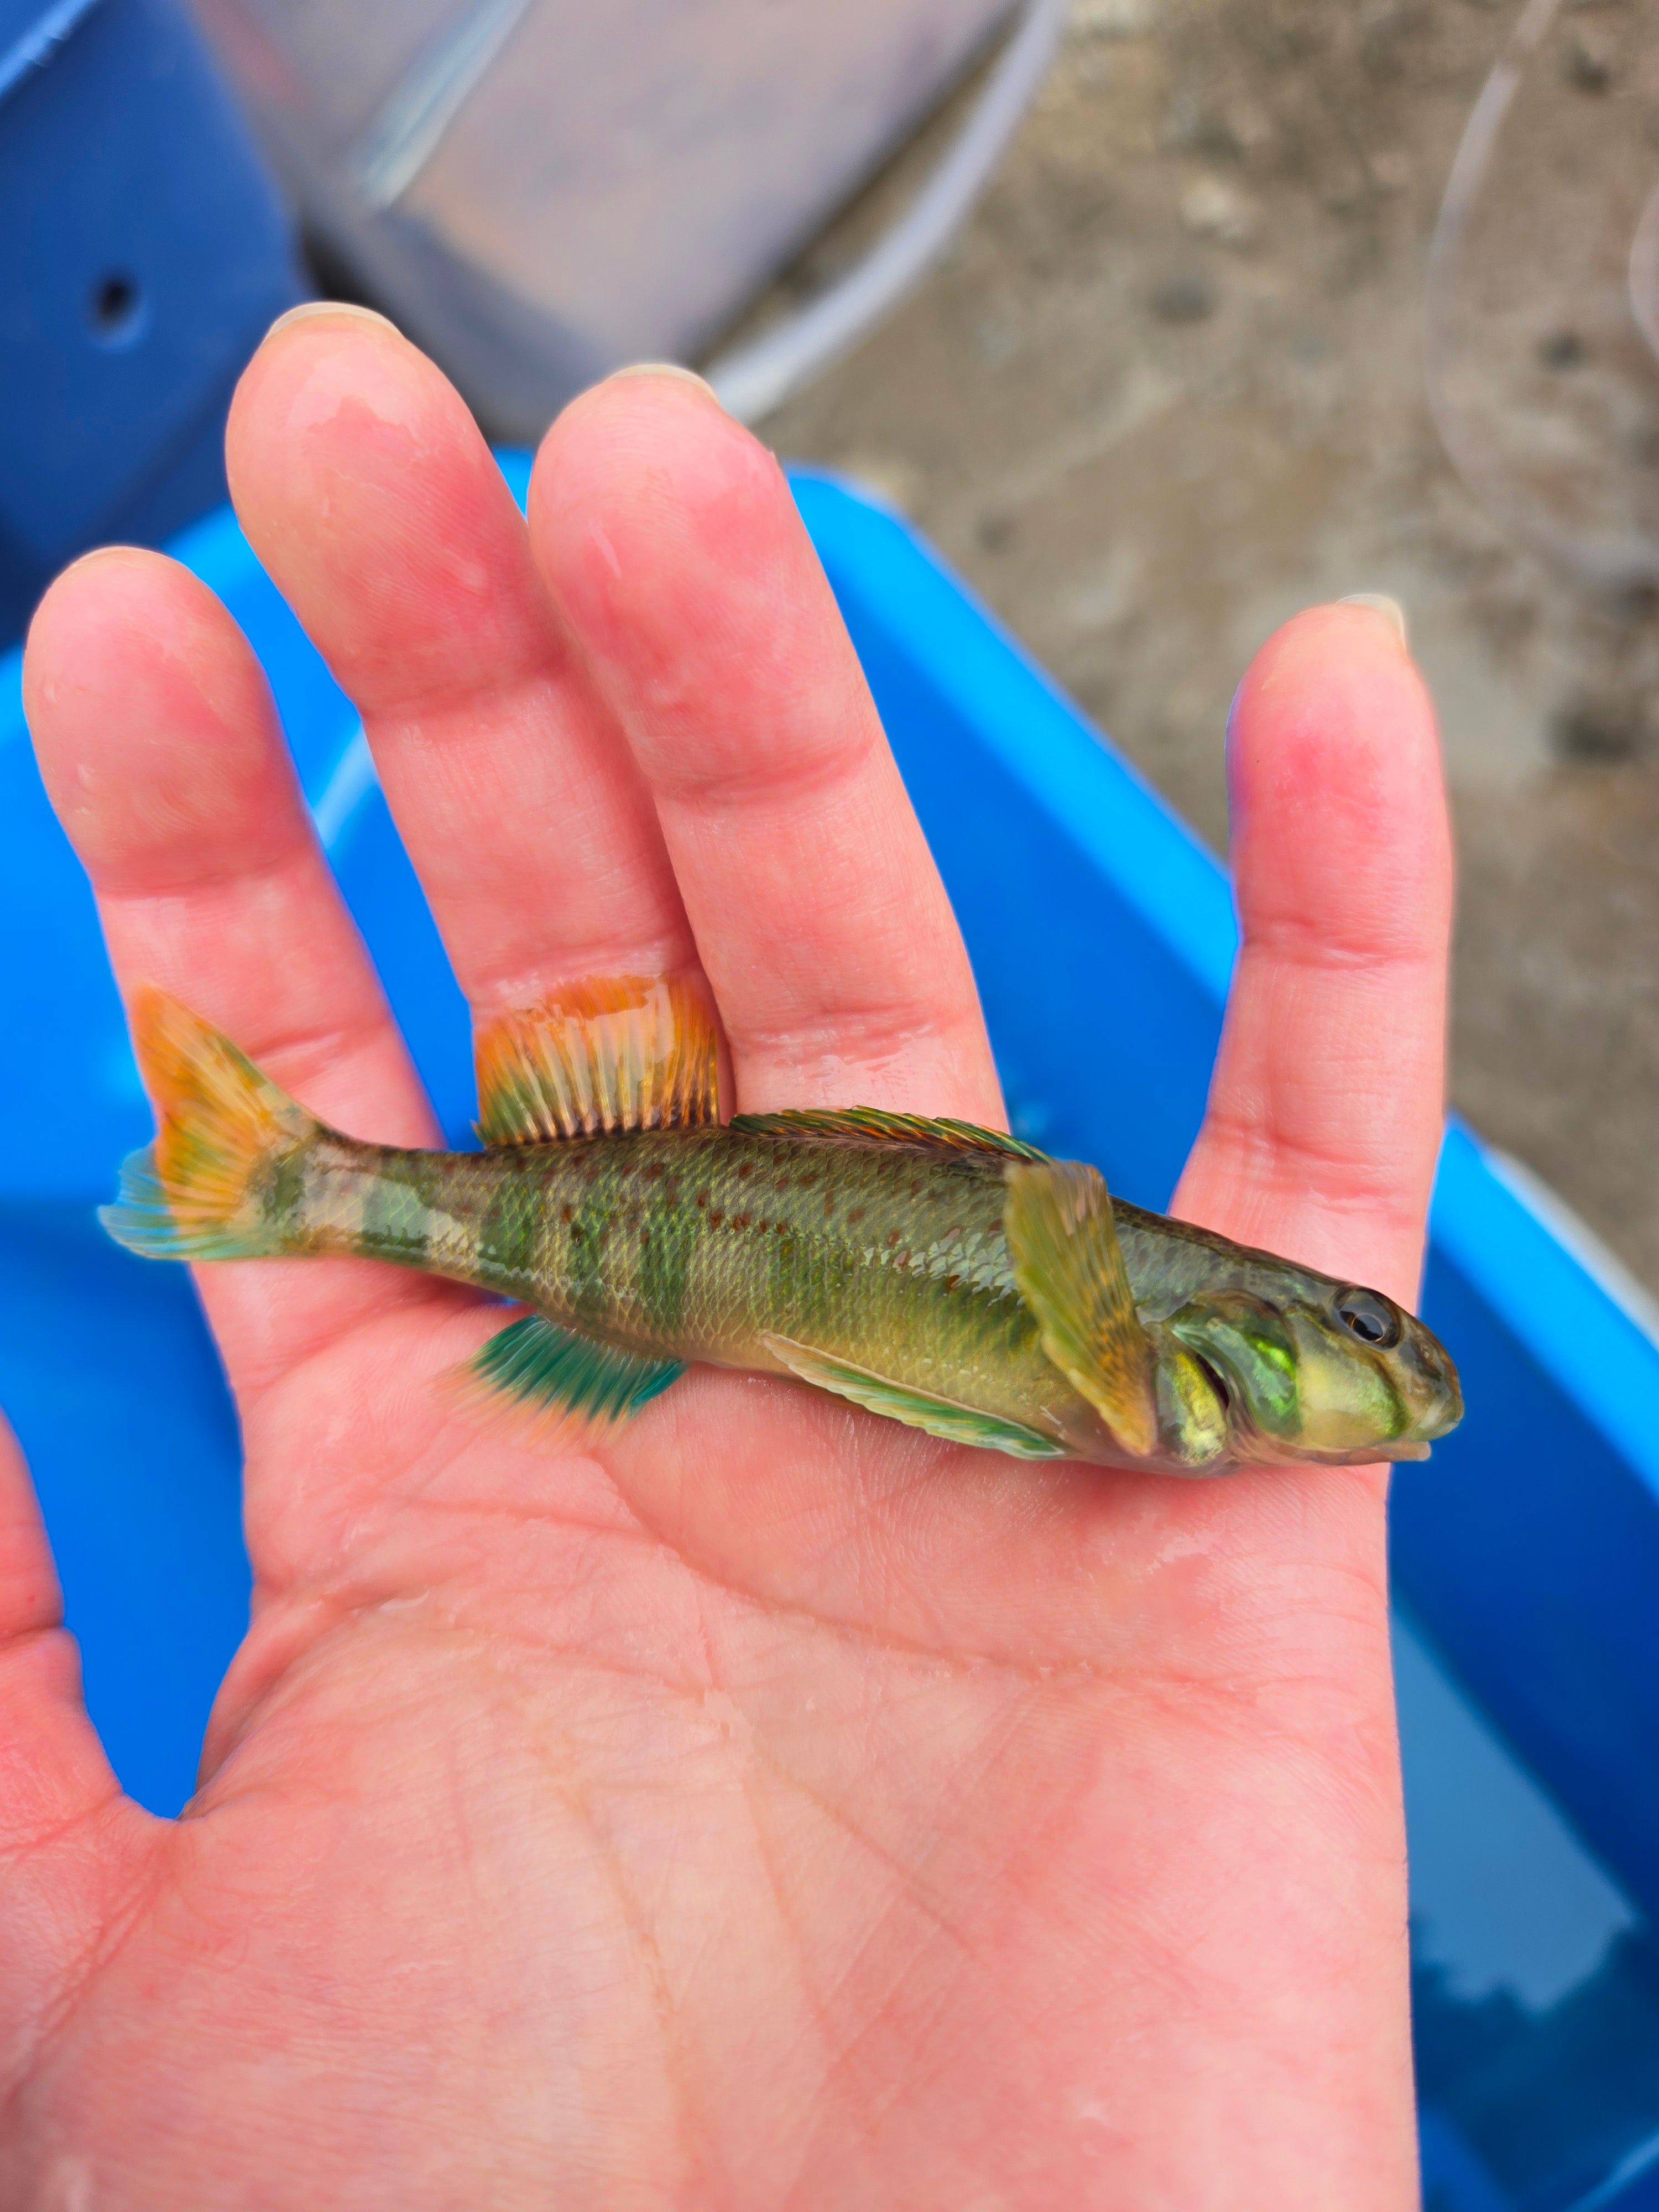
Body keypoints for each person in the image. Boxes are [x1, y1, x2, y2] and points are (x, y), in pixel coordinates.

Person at [2, 307, 1449, 2208]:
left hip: (679, 1251)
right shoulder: (1142, 1365)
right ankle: (298, 1179)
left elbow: (1039, 1240)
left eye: (1373, 1333)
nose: (1394, 1370)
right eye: (1363, 1328)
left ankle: (297, 1179)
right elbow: (1037, 1236)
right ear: (1257, 1337)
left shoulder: (1155, 1376)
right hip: (645, 1237)